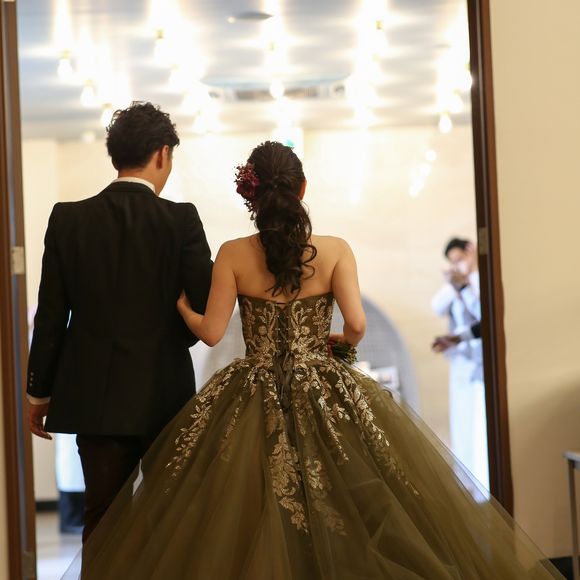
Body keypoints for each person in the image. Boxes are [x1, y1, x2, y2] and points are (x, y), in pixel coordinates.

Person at [68, 142, 561, 579]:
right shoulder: (335, 250)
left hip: (251, 392)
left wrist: (183, 309)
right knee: (358, 497)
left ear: (251, 198)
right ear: (302, 189)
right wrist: (338, 342)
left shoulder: (233, 254)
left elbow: (213, 332)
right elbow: (357, 324)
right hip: (323, 384)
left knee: (243, 505)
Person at [26, 102, 213, 543]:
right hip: (164, 395)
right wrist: (173, 337)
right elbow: (204, 304)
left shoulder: (68, 219)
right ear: (162, 153)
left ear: (115, 156)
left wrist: (39, 392)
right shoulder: (181, 220)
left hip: (95, 399)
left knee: (103, 518)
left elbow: (51, 314)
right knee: (169, 520)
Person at [431, 238, 489, 489]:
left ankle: (485, 485)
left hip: (482, 365)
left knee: (480, 426)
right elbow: (437, 306)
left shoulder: (481, 281)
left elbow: (484, 317)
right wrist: (454, 285)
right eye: (452, 262)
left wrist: (466, 283)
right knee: (463, 423)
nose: (457, 265)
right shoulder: (454, 286)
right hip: (462, 365)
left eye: (460, 259)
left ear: (471, 253)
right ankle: (468, 486)